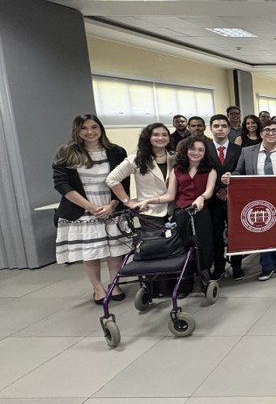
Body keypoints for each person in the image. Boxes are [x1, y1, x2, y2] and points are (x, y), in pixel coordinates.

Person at [53, 114, 129, 304]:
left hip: (110, 205)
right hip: (82, 208)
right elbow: (62, 185)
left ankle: (115, 283)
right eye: (84, 128)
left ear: (100, 128)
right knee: (91, 252)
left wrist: (112, 204)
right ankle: (97, 288)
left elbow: (124, 181)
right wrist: (92, 207)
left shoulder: (116, 151)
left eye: (94, 127)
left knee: (114, 249)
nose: (90, 132)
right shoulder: (66, 153)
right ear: (77, 131)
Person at [132, 135, 218, 297]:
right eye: (192, 149)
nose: (196, 153)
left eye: (200, 150)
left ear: (205, 153)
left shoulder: (210, 170)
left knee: (203, 246)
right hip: (181, 214)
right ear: (186, 150)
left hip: (200, 213)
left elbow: (209, 191)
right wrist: (150, 200)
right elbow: (170, 195)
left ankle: (204, 278)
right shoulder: (177, 170)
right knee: (182, 247)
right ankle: (185, 282)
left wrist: (201, 198)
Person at [220, 120, 276, 281]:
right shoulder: (248, 152)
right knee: (263, 231)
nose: (270, 133)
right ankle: (267, 266)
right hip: (257, 200)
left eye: (274, 130)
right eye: (267, 130)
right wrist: (229, 177)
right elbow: (238, 172)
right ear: (261, 133)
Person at [106, 122, 175, 297]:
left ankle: (173, 286)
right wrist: (127, 201)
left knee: (173, 250)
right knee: (155, 252)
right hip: (150, 213)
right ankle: (155, 289)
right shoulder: (136, 158)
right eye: (156, 134)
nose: (161, 138)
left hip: (173, 210)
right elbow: (112, 179)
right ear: (148, 137)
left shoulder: (174, 157)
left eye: (164, 134)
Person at [205, 114, 244, 281]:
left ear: (229, 129)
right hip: (212, 199)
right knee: (215, 234)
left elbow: (243, 172)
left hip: (233, 199)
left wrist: (228, 191)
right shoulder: (204, 149)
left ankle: (237, 266)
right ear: (211, 128)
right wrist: (216, 190)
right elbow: (202, 174)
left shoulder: (239, 150)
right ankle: (219, 266)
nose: (220, 129)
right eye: (216, 126)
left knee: (236, 234)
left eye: (223, 126)